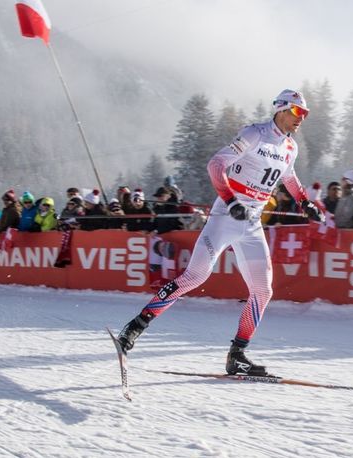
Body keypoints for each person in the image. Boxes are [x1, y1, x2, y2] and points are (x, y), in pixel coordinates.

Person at [115, 89, 323, 376]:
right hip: (226, 217)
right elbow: (216, 165)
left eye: (306, 114)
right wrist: (230, 200)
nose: (302, 119)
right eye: (298, 112)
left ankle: (237, 355)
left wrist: (304, 202)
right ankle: (135, 327)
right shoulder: (255, 134)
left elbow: (289, 177)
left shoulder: (291, 148)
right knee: (195, 277)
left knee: (263, 291)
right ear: (282, 109)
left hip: (251, 225)